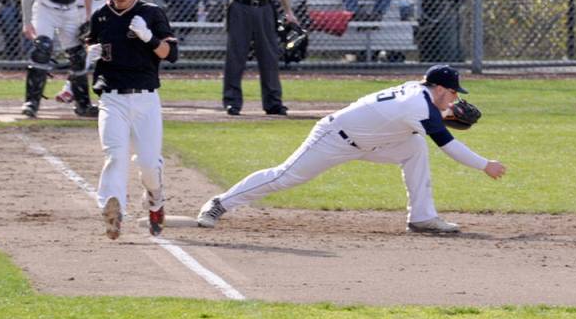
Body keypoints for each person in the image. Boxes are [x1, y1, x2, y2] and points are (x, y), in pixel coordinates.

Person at [197, 65, 507, 233]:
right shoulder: (417, 104)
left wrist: (443, 114)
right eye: (452, 93)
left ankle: (423, 217)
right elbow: (448, 145)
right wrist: (485, 165)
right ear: (439, 88)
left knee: (414, 147)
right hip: (334, 138)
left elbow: (423, 117)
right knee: (285, 176)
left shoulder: (420, 90)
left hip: (372, 141)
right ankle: (219, 204)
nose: (454, 99)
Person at [85, 0, 178, 239]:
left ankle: (156, 199)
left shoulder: (151, 14)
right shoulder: (101, 17)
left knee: (149, 163)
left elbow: (169, 54)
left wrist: (148, 37)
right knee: (114, 156)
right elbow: (90, 43)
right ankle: (112, 210)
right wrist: (90, 53)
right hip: (112, 98)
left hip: (145, 99)